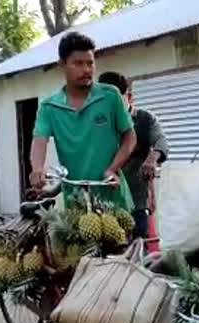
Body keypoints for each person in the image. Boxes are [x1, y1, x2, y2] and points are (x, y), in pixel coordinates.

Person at [29, 31, 136, 212]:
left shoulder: (110, 96)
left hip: (114, 198)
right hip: (76, 202)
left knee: (121, 239)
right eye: (78, 63)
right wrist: (37, 168)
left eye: (90, 63)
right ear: (62, 64)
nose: (87, 69)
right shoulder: (49, 107)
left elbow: (129, 137)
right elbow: (39, 140)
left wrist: (112, 169)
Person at [98, 71, 168, 240]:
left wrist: (152, 159)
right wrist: (52, 191)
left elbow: (161, 142)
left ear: (129, 98)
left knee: (137, 248)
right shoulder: (100, 124)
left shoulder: (145, 120)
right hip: (107, 205)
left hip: (136, 202)